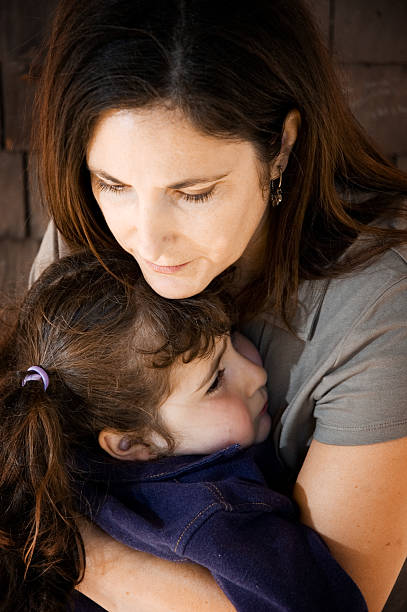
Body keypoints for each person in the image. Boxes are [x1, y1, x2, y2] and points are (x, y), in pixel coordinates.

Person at [29, 0, 407, 610]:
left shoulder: (385, 301)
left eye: (194, 192)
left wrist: (59, 543)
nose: (144, 243)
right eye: (114, 185)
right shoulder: (96, 232)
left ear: (280, 147)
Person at [0, 251, 367, 612]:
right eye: (216, 381)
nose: (257, 375)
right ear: (133, 442)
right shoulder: (218, 514)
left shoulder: (57, 464)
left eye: (234, 338)